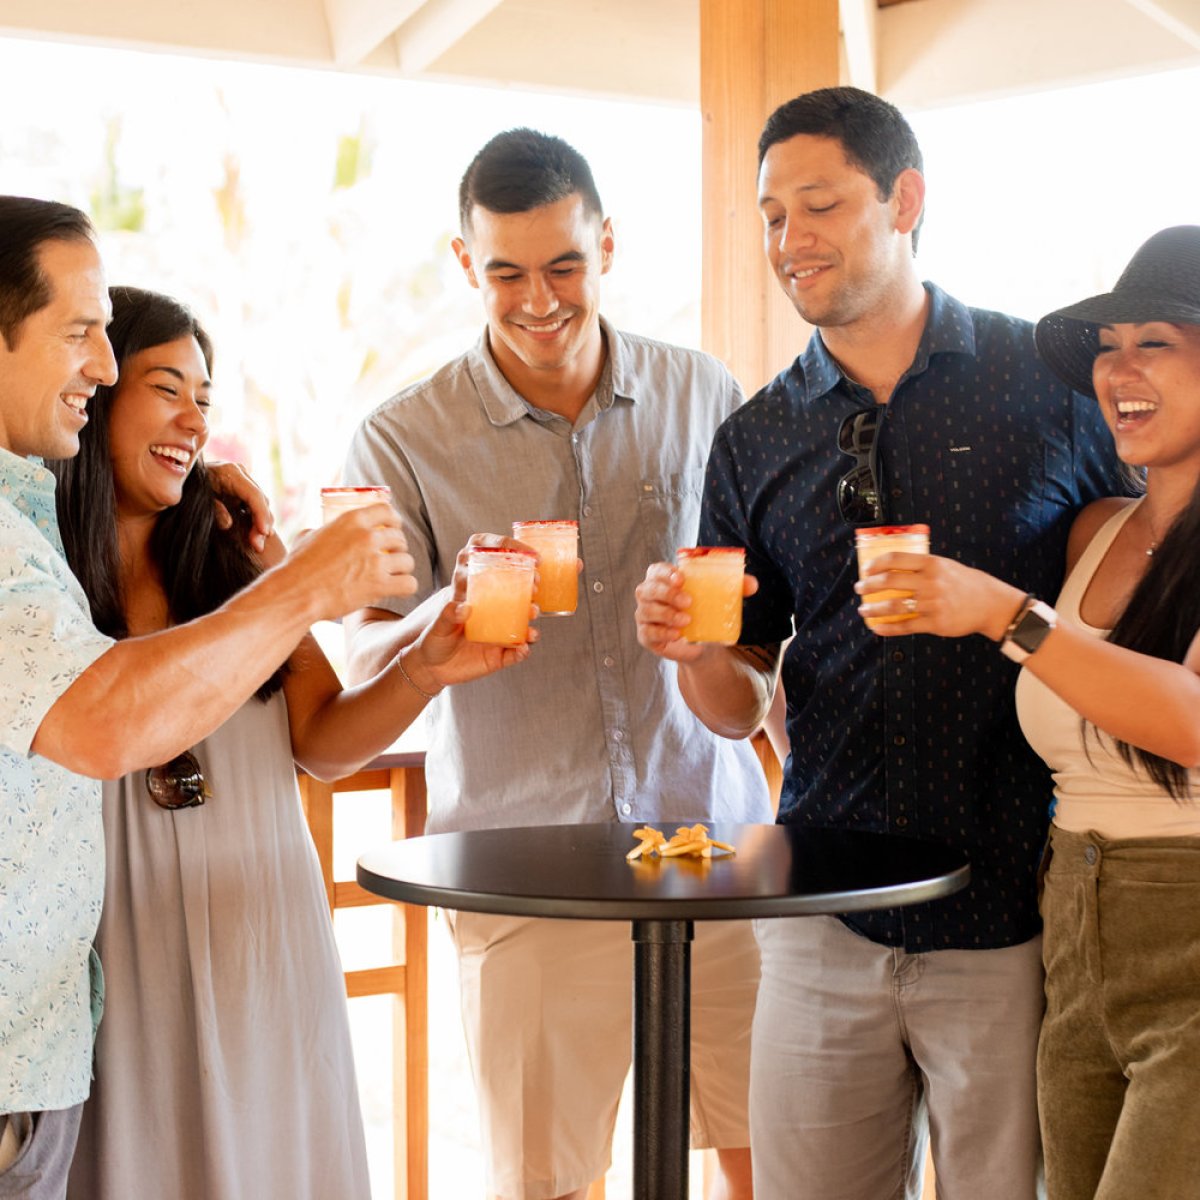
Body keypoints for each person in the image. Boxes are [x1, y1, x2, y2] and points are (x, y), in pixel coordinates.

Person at [633, 87, 1126, 1200]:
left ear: (905, 200)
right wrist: (691, 652)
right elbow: (734, 697)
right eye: (769, 217)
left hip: (1018, 906)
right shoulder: (756, 435)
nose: (788, 241)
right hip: (821, 918)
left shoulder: (1051, 388)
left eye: (819, 205)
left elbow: (1141, 602)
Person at [342, 128, 770, 1200]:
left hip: (708, 851)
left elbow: (762, 640)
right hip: (519, 867)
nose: (539, 299)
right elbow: (366, 653)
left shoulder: (707, 395)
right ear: (463, 263)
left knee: (777, 1160)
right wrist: (449, 618)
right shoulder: (402, 437)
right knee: (547, 1183)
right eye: (507, 273)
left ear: (609, 246)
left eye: (564, 266)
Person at [0, 197, 415, 1199]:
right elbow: (106, 717)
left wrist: (429, 657)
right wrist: (306, 582)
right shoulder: (43, 541)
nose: (95, 367)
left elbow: (320, 731)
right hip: (101, 981)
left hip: (217, 958)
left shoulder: (221, 554)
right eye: (85, 338)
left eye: (205, 397)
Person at [855, 224, 1200, 1200]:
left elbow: (1191, 723)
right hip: (1074, 929)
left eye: (1156, 344)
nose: (1119, 371)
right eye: (1108, 347)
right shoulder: (1101, 529)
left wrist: (1008, 615)